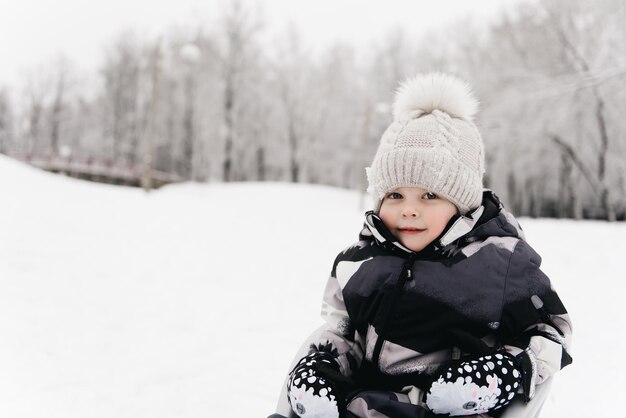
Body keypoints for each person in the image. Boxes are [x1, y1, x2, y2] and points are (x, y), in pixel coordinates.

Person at [268, 73, 573, 418]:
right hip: (361, 405)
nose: (409, 209)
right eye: (395, 195)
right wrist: (322, 365)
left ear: (461, 204)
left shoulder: (498, 263)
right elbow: (344, 331)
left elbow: (551, 331)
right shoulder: (359, 262)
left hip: (449, 409)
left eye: (429, 195)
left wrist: (505, 371)